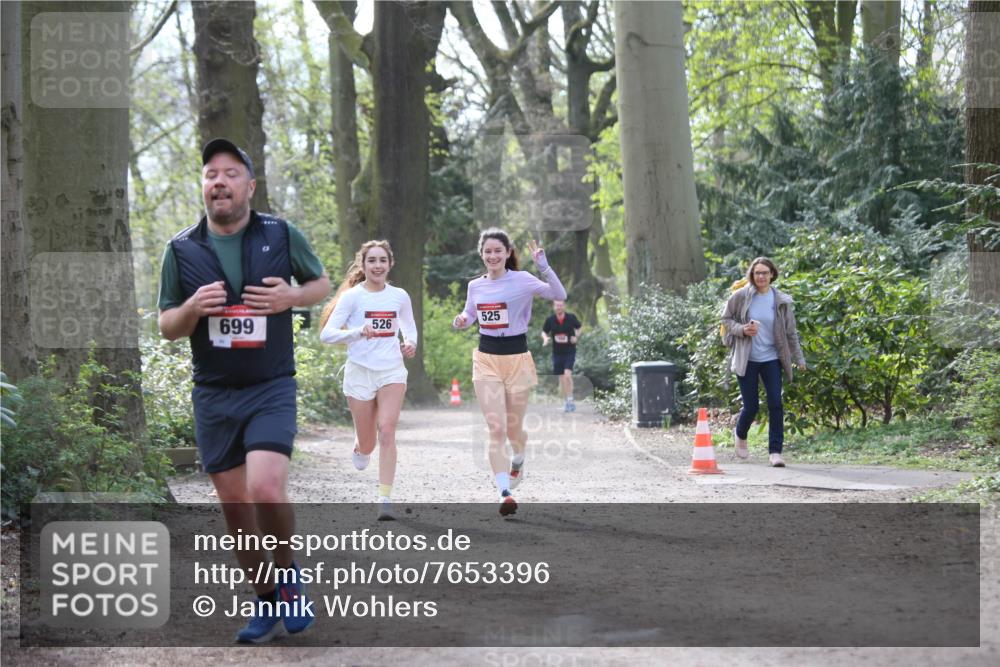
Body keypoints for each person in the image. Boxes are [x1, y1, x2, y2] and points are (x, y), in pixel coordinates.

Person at [158, 138, 331, 643]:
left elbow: (321, 283)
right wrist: (191, 308)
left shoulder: (279, 232)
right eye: (211, 173)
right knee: (236, 511)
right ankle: (265, 600)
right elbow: (167, 324)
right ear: (203, 187)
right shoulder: (180, 249)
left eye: (231, 173)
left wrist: (293, 297)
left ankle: (289, 577)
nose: (219, 181)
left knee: (265, 487)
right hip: (213, 395)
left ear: (249, 186)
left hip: (270, 386)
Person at [453, 228, 566, 516]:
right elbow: (470, 315)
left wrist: (543, 265)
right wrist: (463, 319)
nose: (492, 256)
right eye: (487, 251)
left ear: (507, 253)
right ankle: (504, 492)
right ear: (482, 254)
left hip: (517, 358)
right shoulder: (475, 286)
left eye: (497, 251)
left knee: (514, 429)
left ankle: (519, 458)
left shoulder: (523, 280)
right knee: (496, 428)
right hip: (487, 358)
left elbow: (559, 294)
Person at [318, 240, 417, 522]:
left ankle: (384, 498)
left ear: (390, 264)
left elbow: (409, 329)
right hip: (360, 371)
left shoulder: (399, 296)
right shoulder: (352, 297)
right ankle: (361, 446)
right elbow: (327, 334)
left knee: (387, 430)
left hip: (391, 371)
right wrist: (358, 332)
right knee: (369, 443)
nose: (377, 265)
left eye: (382, 260)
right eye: (371, 260)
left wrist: (410, 344)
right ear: (363, 265)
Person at [721, 257, 806, 467]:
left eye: (765, 273)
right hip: (747, 358)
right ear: (752, 275)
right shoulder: (740, 297)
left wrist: (799, 358)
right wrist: (742, 329)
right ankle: (740, 434)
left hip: (772, 358)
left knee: (776, 403)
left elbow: (791, 332)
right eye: (757, 273)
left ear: (772, 275)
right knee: (751, 407)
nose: (761, 277)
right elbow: (726, 320)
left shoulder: (781, 301)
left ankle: (775, 452)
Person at [541, 300, 583, 412]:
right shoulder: (550, 320)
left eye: (560, 305)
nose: (559, 307)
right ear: (554, 307)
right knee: (562, 378)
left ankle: (570, 399)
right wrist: (545, 338)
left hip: (569, 351)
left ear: (564, 306)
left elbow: (579, 327)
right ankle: (567, 401)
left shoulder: (571, 318)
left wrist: (576, 337)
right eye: (557, 305)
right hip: (557, 353)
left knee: (567, 375)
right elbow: (544, 331)